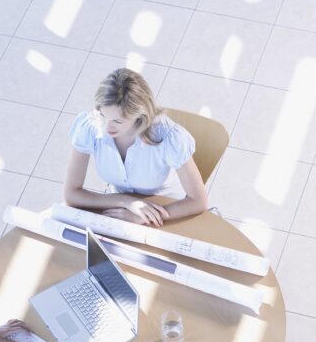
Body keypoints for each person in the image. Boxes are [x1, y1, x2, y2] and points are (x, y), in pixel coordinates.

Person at [64, 68, 209, 226]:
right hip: (122, 209)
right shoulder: (90, 126)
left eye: (118, 121)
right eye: (103, 115)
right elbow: (71, 195)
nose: (107, 127)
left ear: (139, 116)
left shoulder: (169, 137)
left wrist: (142, 218)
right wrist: (127, 202)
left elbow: (198, 201)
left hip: (168, 211)